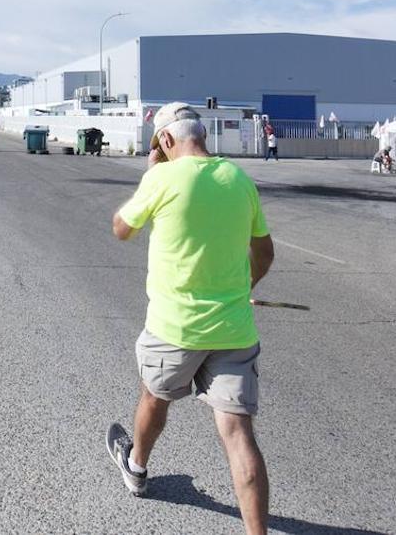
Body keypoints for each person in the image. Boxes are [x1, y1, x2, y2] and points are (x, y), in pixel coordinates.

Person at [108, 102, 274, 535]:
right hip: (234, 329)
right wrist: (244, 288)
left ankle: (136, 466)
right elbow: (264, 253)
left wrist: (151, 174)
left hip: (174, 328)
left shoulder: (160, 177)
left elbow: (121, 228)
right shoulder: (239, 178)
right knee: (239, 434)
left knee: (154, 398)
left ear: (165, 141)